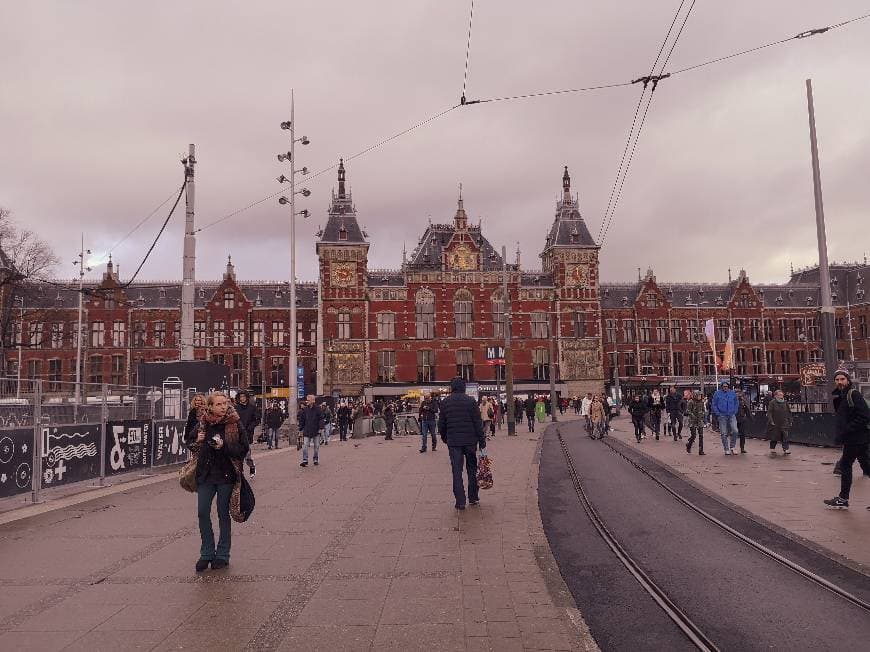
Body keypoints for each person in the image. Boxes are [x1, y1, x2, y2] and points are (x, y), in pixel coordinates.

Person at [183, 392, 249, 572]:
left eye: (225, 403)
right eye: (219, 404)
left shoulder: (234, 422)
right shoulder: (203, 422)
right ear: (210, 406)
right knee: (202, 511)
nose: (223, 406)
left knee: (222, 512)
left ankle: (222, 554)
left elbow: (244, 448)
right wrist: (198, 440)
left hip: (226, 474)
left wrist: (224, 446)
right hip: (206, 473)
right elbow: (188, 440)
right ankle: (206, 552)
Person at [438, 377, 487, 510]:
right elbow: (478, 422)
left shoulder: (445, 402)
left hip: (454, 442)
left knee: (456, 471)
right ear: (464, 387)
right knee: (472, 469)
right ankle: (473, 497)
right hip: (470, 441)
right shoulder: (471, 401)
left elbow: (441, 423)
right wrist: (481, 440)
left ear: (452, 387)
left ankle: (460, 501)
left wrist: (444, 437)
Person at [824, 371, 870, 508]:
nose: (839, 382)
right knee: (866, 467)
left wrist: (848, 428)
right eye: (837, 379)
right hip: (855, 438)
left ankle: (843, 499)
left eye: (842, 379)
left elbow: (865, 416)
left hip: (856, 438)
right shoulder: (842, 395)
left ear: (848, 380)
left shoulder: (853, 394)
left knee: (845, 465)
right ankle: (843, 498)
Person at [234, 391, 258, 477]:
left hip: (247, 433)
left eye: (243, 396)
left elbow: (256, 420)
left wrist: (250, 428)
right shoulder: (236, 408)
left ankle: (252, 466)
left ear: (247, 397)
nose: (242, 398)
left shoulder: (252, 408)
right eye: (240, 397)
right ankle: (241, 472)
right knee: (239, 454)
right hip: (237, 433)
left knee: (247, 454)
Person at [711, 381, 739, 455]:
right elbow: (714, 404)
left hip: (731, 414)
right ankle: (726, 449)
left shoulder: (732, 393)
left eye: (726, 386)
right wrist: (718, 413)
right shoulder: (717, 393)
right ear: (721, 387)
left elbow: (736, 402)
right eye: (724, 386)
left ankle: (732, 446)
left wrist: (735, 411)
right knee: (723, 433)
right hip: (722, 415)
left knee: (735, 430)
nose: (725, 388)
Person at [298, 395, 324, 467]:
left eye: (308, 400)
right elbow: (302, 420)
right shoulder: (305, 410)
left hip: (316, 430)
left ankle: (315, 459)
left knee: (316, 446)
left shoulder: (318, 409)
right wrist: (300, 429)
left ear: (312, 401)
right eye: (307, 400)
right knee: (305, 446)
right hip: (307, 430)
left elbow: (321, 419)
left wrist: (320, 428)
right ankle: (305, 460)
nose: (307, 402)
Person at [766, 389, 793, 455]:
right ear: (776, 396)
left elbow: (789, 412)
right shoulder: (772, 402)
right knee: (774, 436)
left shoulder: (785, 402)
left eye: (782, 394)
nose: (781, 396)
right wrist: (771, 421)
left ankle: (786, 449)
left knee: (785, 436)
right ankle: (772, 448)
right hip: (775, 422)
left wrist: (790, 420)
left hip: (784, 422)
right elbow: (769, 412)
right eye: (779, 395)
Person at [685, 390, 706, 455]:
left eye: (700, 395)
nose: (699, 397)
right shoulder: (690, 402)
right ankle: (689, 445)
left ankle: (701, 450)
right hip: (692, 421)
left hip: (700, 421)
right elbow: (688, 411)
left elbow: (703, 410)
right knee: (693, 435)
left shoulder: (701, 402)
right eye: (698, 395)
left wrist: (703, 415)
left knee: (701, 436)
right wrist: (693, 416)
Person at [735, 389, 752, 454]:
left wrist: (750, 418)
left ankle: (742, 448)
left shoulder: (743, 401)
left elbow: (747, 410)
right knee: (734, 433)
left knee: (743, 434)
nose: (738, 394)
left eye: (739, 393)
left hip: (741, 419)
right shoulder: (732, 401)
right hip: (734, 419)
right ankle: (732, 447)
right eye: (736, 393)